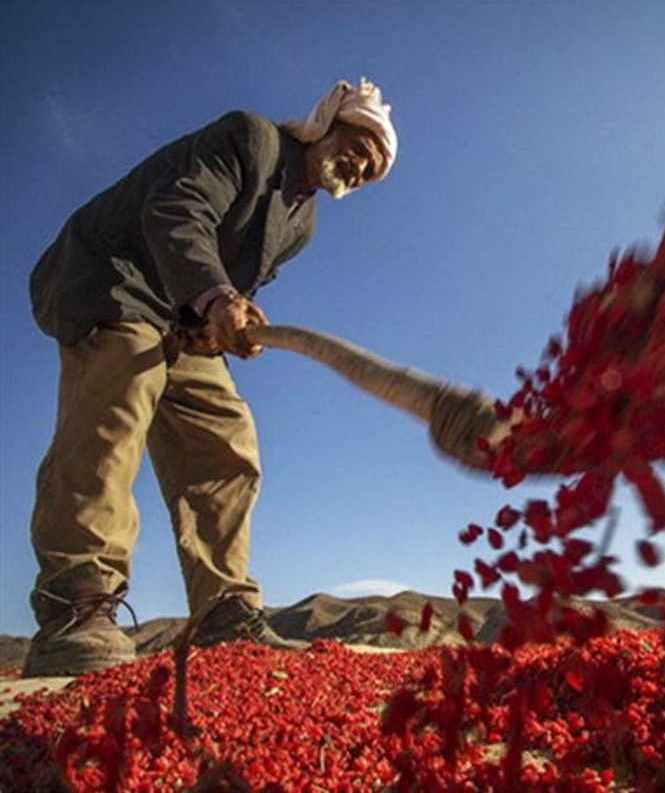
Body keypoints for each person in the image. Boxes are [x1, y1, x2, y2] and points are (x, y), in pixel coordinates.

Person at [22, 78, 398, 677]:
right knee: (120, 396)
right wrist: (218, 295)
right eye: (359, 145)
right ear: (327, 123)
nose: (360, 165)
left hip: (180, 311)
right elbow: (177, 209)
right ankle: (77, 599)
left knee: (227, 437)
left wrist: (225, 323)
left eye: (373, 167)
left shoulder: (302, 224)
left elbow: (242, 280)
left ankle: (222, 611)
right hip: (115, 277)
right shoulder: (252, 139)